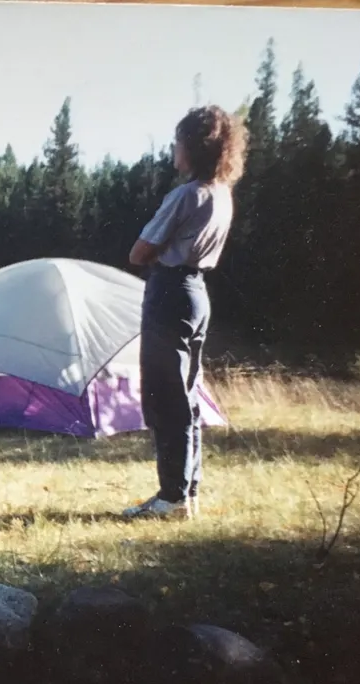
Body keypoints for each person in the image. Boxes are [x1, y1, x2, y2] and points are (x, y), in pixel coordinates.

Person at [122, 105, 249, 520]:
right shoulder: (222, 195)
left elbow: (139, 252)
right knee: (187, 395)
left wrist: (154, 249)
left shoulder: (186, 195)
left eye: (178, 142)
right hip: (197, 293)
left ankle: (170, 497)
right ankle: (185, 492)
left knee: (165, 395)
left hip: (169, 291)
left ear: (194, 148)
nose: (174, 150)